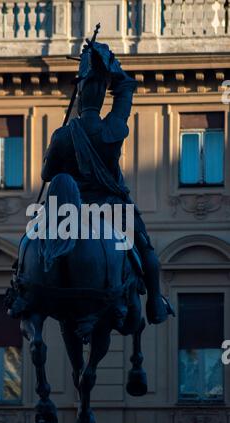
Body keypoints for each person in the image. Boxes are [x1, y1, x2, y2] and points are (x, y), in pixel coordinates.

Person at [41, 42, 174, 325]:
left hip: (70, 212)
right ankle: (155, 303)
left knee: (33, 238)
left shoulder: (62, 135)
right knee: (146, 250)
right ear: (102, 96)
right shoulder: (113, 126)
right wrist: (110, 66)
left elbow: (47, 175)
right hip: (113, 209)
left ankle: (22, 281)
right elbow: (126, 87)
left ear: (78, 97)